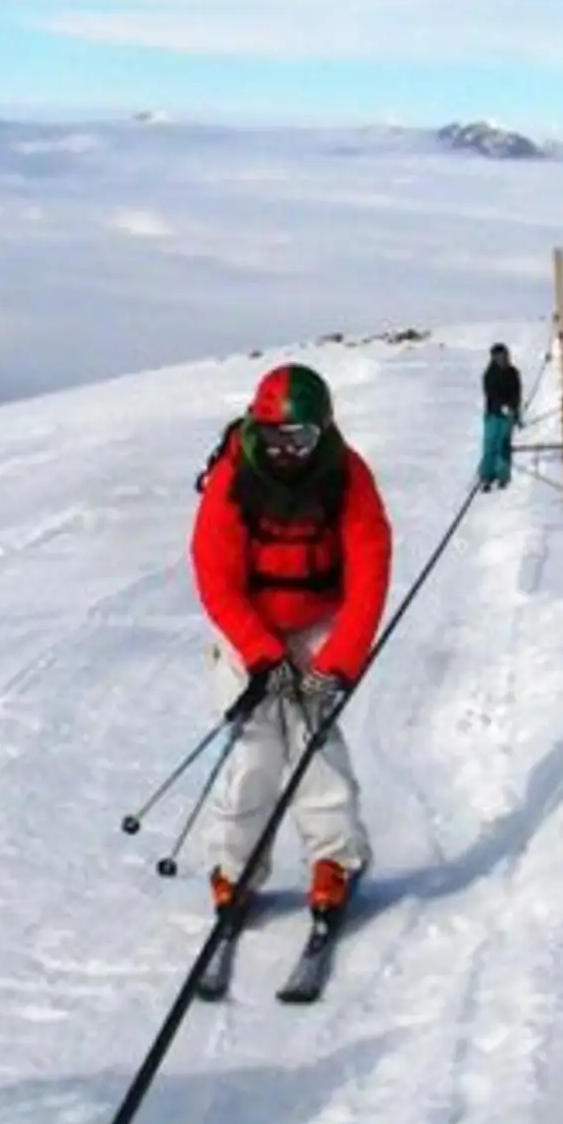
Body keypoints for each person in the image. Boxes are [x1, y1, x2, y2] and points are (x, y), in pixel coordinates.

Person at [190, 362, 393, 920]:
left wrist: (340, 660)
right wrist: (260, 654)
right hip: (249, 626)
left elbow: (370, 571)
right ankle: (235, 869)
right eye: (274, 437)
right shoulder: (234, 477)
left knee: (313, 738)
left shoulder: (347, 476)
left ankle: (335, 860)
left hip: (318, 623)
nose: (284, 451)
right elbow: (215, 576)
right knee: (255, 747)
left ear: (323, 430)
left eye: (299, 438)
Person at [479, 342, 522, 491]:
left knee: (503, 445)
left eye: (503, 356)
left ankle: (503, 475)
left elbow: (517, 394)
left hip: (507, 417)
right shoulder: (489, 374)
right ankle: (487, 475)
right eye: (497, 357)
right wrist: (501, 406)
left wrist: (514, 411)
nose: (500, 359)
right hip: (493, 414)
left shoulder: (513, 373)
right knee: (490, 445)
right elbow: (490, 393)